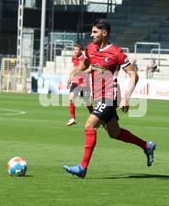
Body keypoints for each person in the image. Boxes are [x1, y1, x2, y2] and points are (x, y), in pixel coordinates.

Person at [63, 19, 156, 178]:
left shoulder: (116, 53)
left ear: (104, 33)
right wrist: (74, 74)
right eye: (91, 32)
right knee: (114, 133)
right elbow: (86, 64)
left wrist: (126, 97)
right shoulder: (91, 48)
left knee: (89, 125)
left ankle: (82, 168)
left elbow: (134, 75)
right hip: (98, 97)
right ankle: (146, 145)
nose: (91, 35)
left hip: (110, 96)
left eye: (95, 32)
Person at [66, 43, 93, 126]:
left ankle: (96, 117)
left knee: (87, 101)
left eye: (76, 49)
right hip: (77, 80)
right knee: (71, 97)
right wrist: (71, 76)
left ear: (81, 50)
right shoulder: (74, 57)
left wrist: (71, 76)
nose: (74, 51)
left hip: (84, 81)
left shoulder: (83, 59)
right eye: (74, 49)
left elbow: (79, 68)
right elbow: (75, 67)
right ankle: (73, 118)